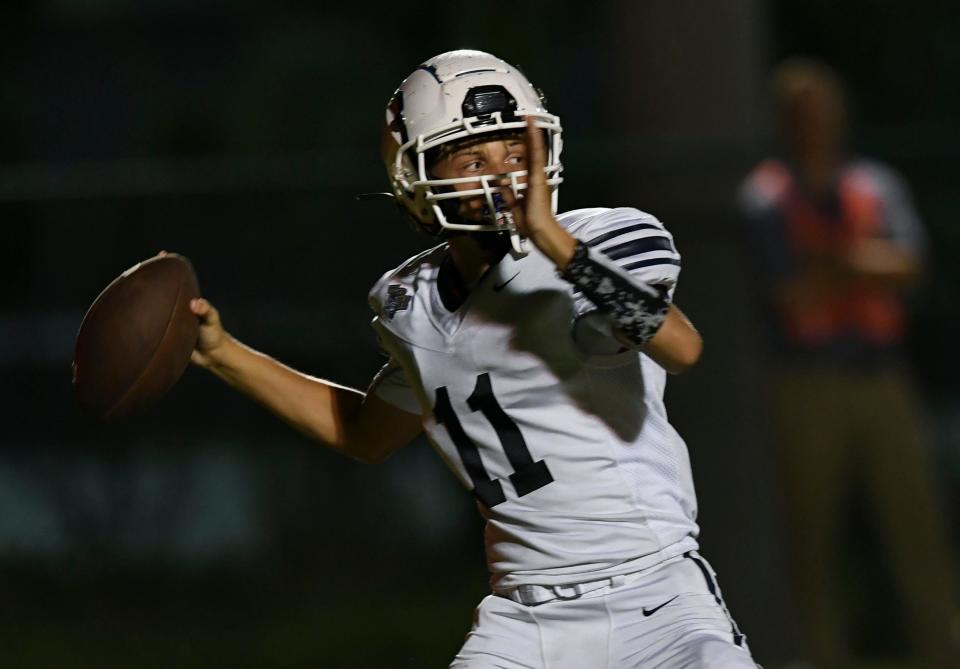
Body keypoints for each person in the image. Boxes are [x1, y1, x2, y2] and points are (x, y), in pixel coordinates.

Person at [192, 50, 757, 668]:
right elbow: (365, 432)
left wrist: (554, 242)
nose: (504, 175)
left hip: (658, 601)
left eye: (517, 153)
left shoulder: (598, 241)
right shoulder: (409, 304)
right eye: (474, 157)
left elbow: (680, 346)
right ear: (415, 174)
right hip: (524, 619)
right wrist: (222, 354)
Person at [739, 58, 960, 668]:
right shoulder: (764, 197)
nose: (816, 126)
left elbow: (911, 266)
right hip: (806, 383)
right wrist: (865, 264)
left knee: (917, 526)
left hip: (882, 378)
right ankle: (820, 655)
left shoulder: (875, 185)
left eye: (824, 113)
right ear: (784, 123)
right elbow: (788, 294)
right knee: (812, 536)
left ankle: (942, 650)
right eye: (802, 116)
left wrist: (831, 263)